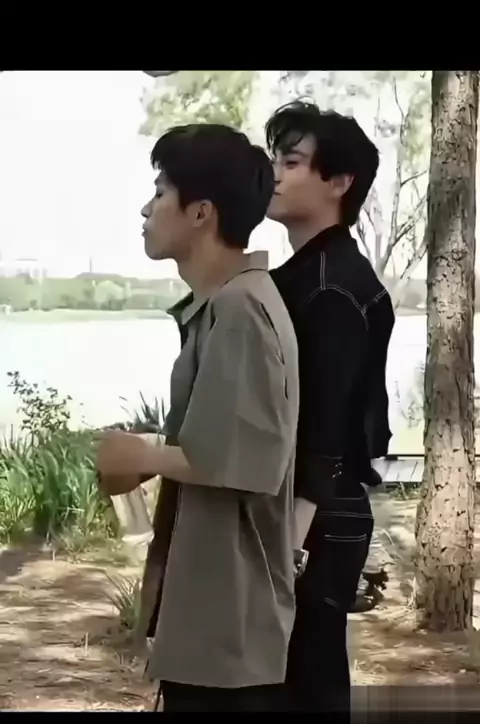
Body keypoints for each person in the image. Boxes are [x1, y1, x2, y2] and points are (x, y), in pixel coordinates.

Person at [96, 123, 299, 712]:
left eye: (161, 191)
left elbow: (247, 460)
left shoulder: (241, 309)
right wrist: (152, 455)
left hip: (230, 630)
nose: (146, 208)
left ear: (201, 213)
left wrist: (143, 455)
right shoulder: (223, 306)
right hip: (211, 625)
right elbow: (226, 437)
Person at [265, 100, 395, 714]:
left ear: (339, 182)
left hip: (317, 509)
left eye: (291, 162)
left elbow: (325, 423)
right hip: (313, 505)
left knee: (306, 680)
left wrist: (291, 541)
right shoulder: (309, 273)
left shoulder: (333, 284)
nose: (274, 173)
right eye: (275, 159)